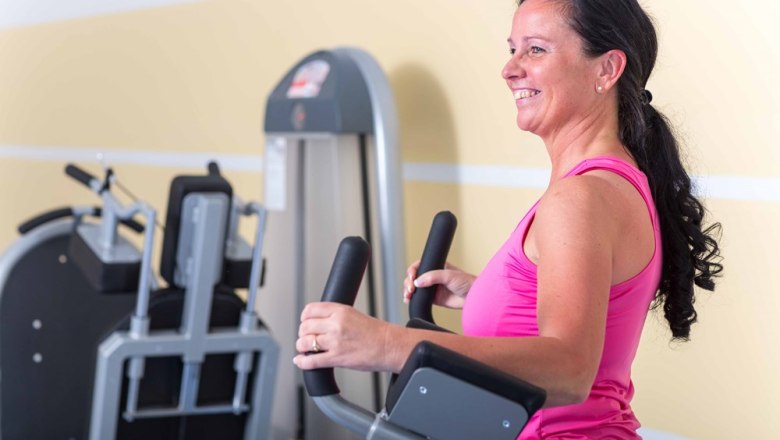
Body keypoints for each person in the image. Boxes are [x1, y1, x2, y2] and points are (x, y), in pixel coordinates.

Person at [294, 0, 723, 437]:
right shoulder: (609, 183)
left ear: (606, 70)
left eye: (535, 50)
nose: (510, 68)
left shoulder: (581, 197)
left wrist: (386, 344)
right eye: (512, 49)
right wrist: (488, 292)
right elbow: (584, 308)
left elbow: (570, 370)